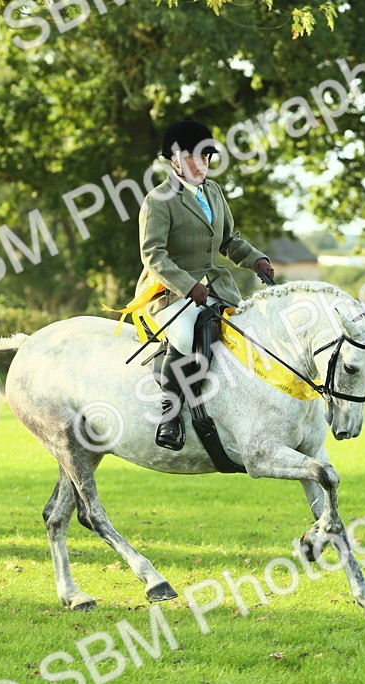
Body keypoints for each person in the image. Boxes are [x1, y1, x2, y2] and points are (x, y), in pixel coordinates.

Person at [129, 118, 275, 451]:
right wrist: (188, 285)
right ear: (175, 159)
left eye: (207, 156)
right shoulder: (159, 200)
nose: (203, 164)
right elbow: (154, 256)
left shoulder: (213, 191)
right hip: (168, 292)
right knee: (183, 333)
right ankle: (170, 415)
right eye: (195, 157)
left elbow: (228, 240)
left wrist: (256, 259)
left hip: (216, 287)